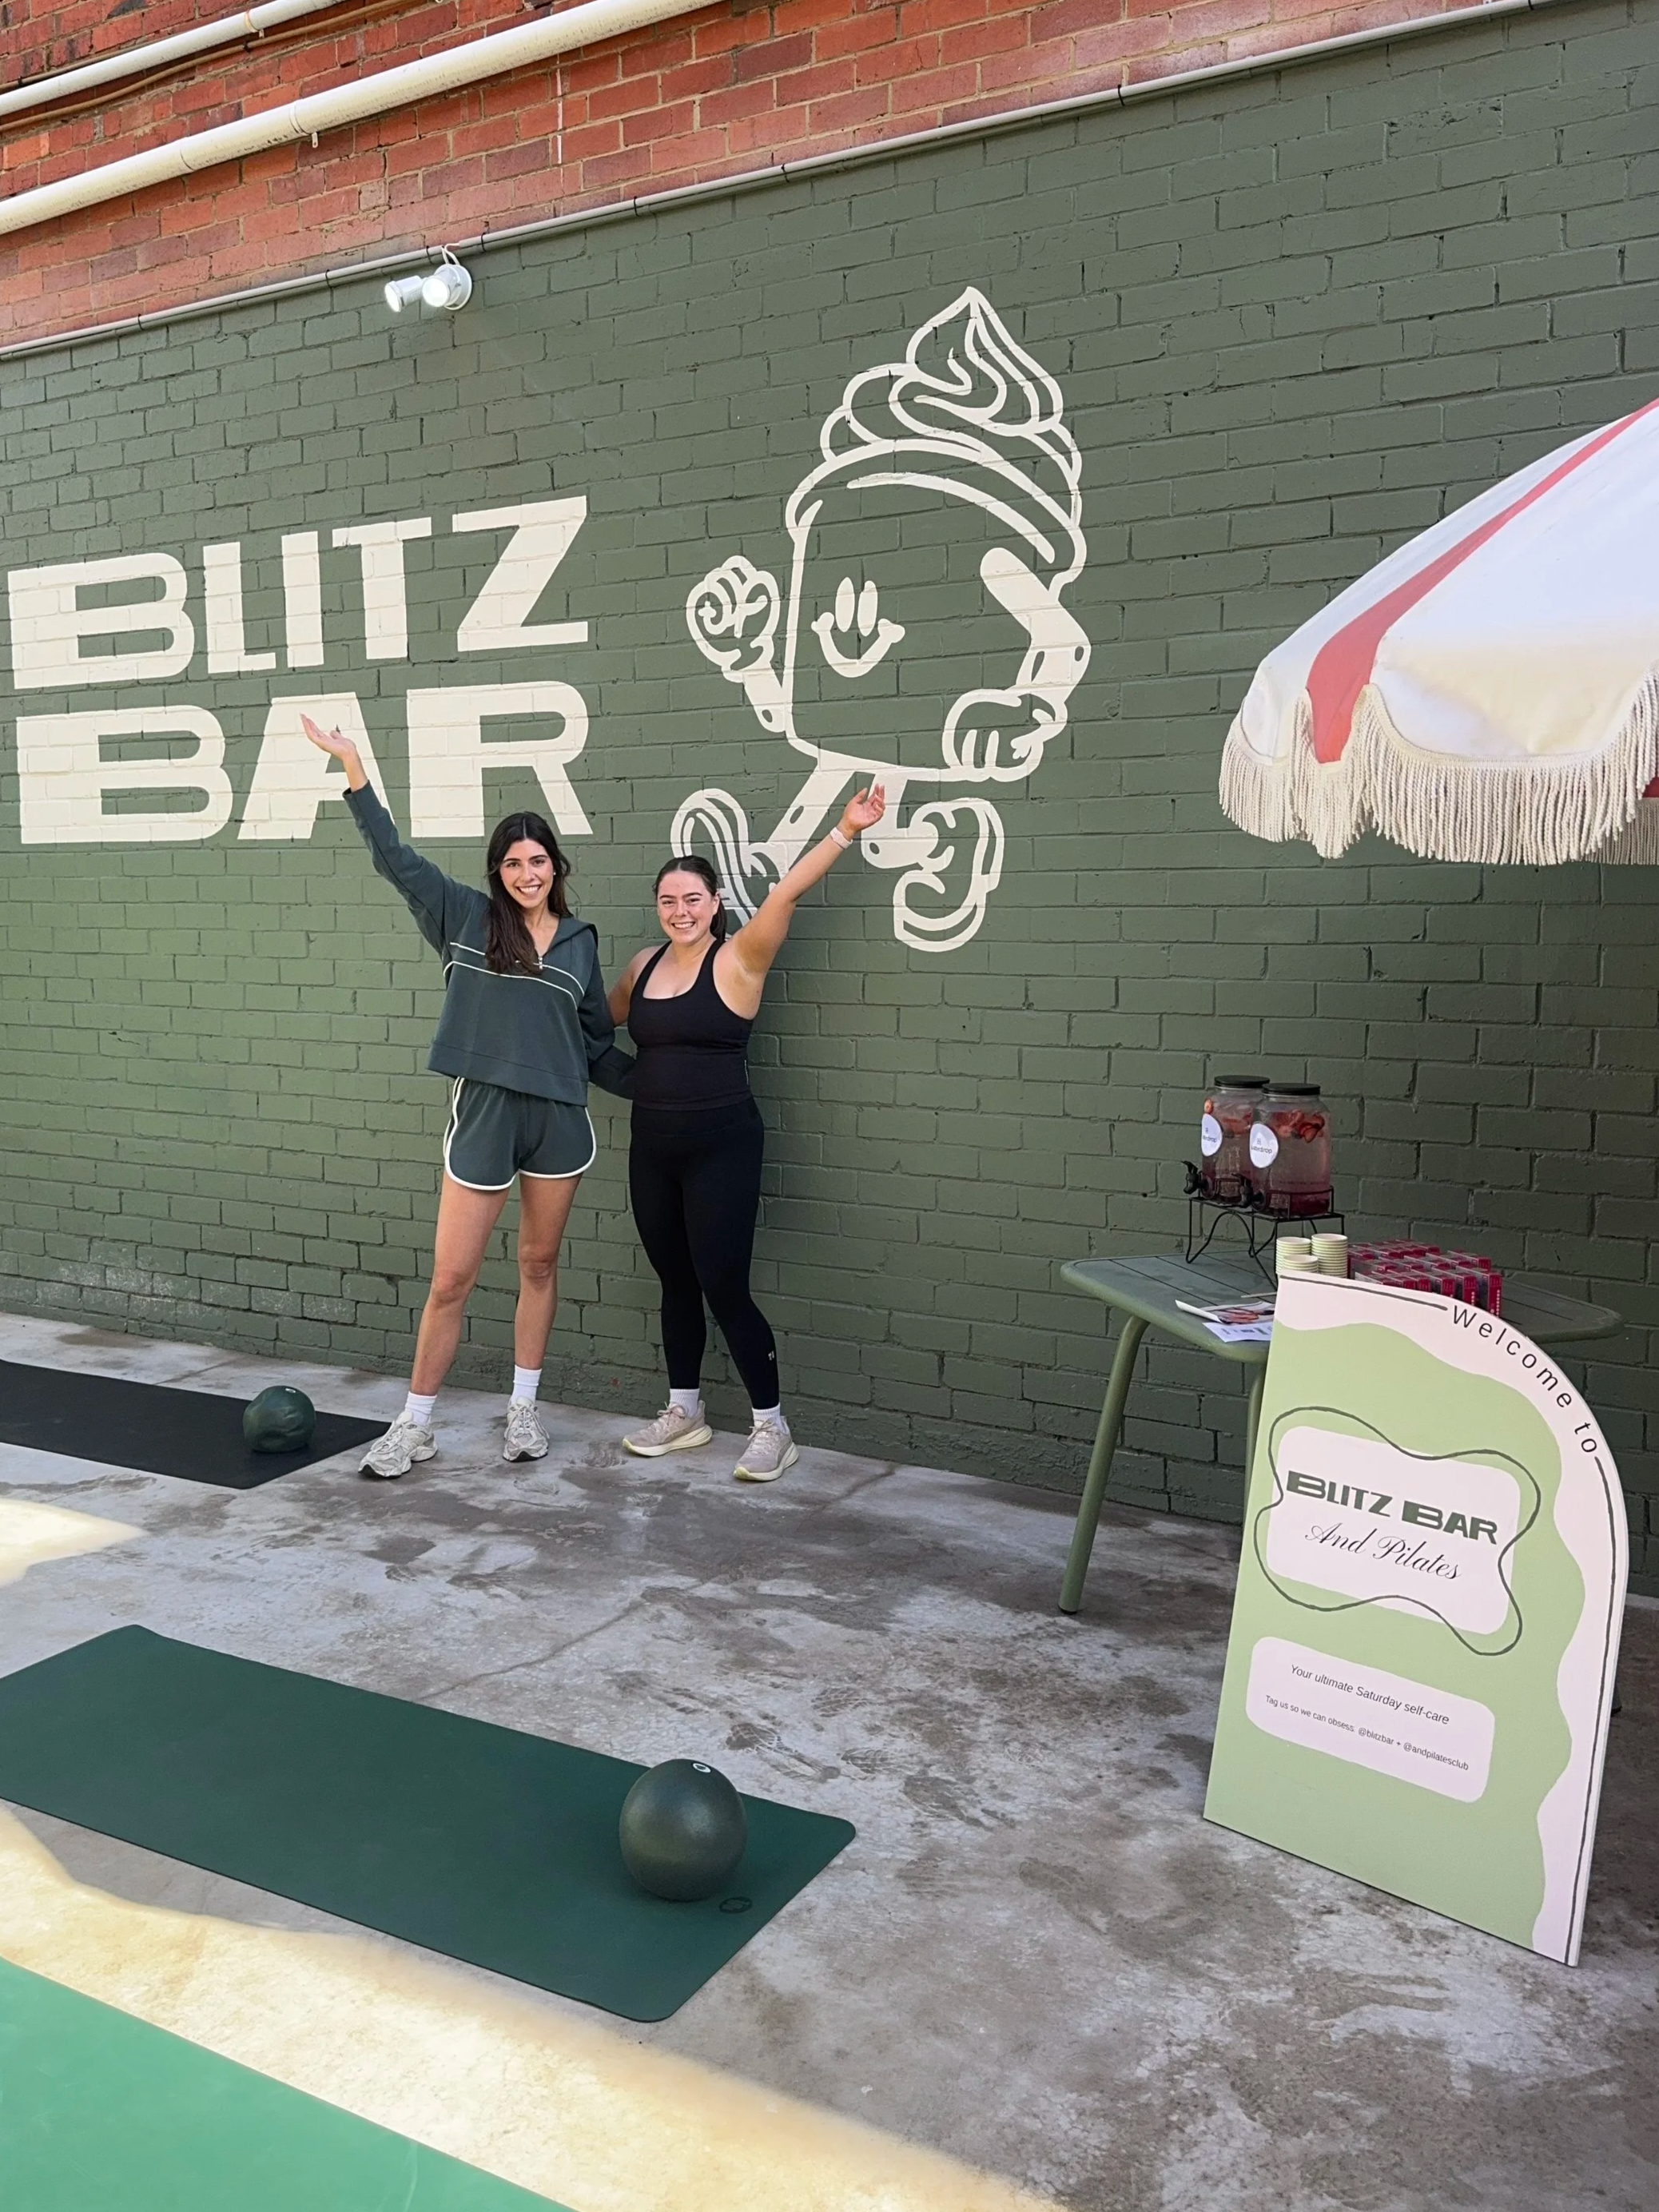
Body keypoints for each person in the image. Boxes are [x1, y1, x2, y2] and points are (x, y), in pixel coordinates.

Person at [301, 718, 631, 1480]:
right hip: (483, 1116)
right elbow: (393, 857)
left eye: (538, 860)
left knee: (539, 1265)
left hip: (557, 1125)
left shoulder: (580, 942)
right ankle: (415, 1423)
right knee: (451, 1279)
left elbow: (593, 1047)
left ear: (557, 865)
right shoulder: (463, 918)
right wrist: (354, 763)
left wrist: (670, 1089)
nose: (527, 873)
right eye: (513, 862)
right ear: (497, 871)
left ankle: (523, 1410)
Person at [610, 783, 885, 1482]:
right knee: (674, 1281)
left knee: (724, 1283)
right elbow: (592, 1024)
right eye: (668, 901)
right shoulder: (641, 967)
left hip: (722, 1148)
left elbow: (785, 894)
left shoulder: (739, 958)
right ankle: (685, 1412)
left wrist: (846, 829)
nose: (680, 911)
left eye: (692, 900)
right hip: (653, 1151)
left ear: (715, 905)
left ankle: (772, 1426)